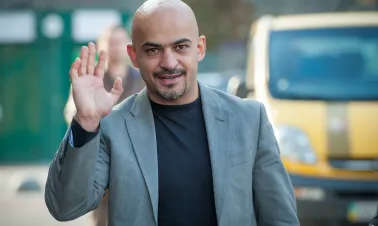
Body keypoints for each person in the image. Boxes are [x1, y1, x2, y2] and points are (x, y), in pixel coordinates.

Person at [45, 0, 299, 225]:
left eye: (180, 47)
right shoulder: (112, 127)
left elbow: (280, 218)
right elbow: (65, 207)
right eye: (153, 50)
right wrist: (85, 122)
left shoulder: (249, 120)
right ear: (134, 56)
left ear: (199, 49)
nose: (168, 62)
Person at [62, 25, 144, 226]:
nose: (116, 47)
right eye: (111, 42)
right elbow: (72, 113)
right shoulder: (89, 81)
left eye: (120, 42)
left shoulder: (142, 80)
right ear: (101, 47)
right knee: (103, 219)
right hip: (101, 159)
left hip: (137, 160)